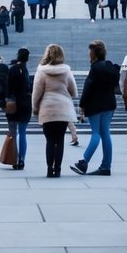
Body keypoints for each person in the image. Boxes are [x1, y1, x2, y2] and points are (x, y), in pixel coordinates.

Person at [71, 40, 119, 176]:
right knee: (106, 134)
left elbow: (88, 87)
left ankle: (84, 161)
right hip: (109, 104)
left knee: (96, 133)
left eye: (90, 51)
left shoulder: (95, 67)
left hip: (96, 105)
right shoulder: (110, 66)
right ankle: (106, 166)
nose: (88, 53)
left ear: (94, 53)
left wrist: (82, 104)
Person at [32, 43, 78, 178]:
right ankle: (57, 169)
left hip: (47, 109)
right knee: (60, 140)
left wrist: (35, 108)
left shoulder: (41, 71)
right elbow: (74, 91)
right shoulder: (66, 70)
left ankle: (48, 169)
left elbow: (36, 93)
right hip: (63, 109)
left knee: (50, 140)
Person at [2, 48, 32, 170]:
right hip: (25, 104)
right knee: (23, 133)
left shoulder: (13, 69)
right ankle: (21, 159)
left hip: (14, 104)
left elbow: (9, 89)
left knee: (13, 133)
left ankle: (13, 158)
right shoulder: (25, 70)